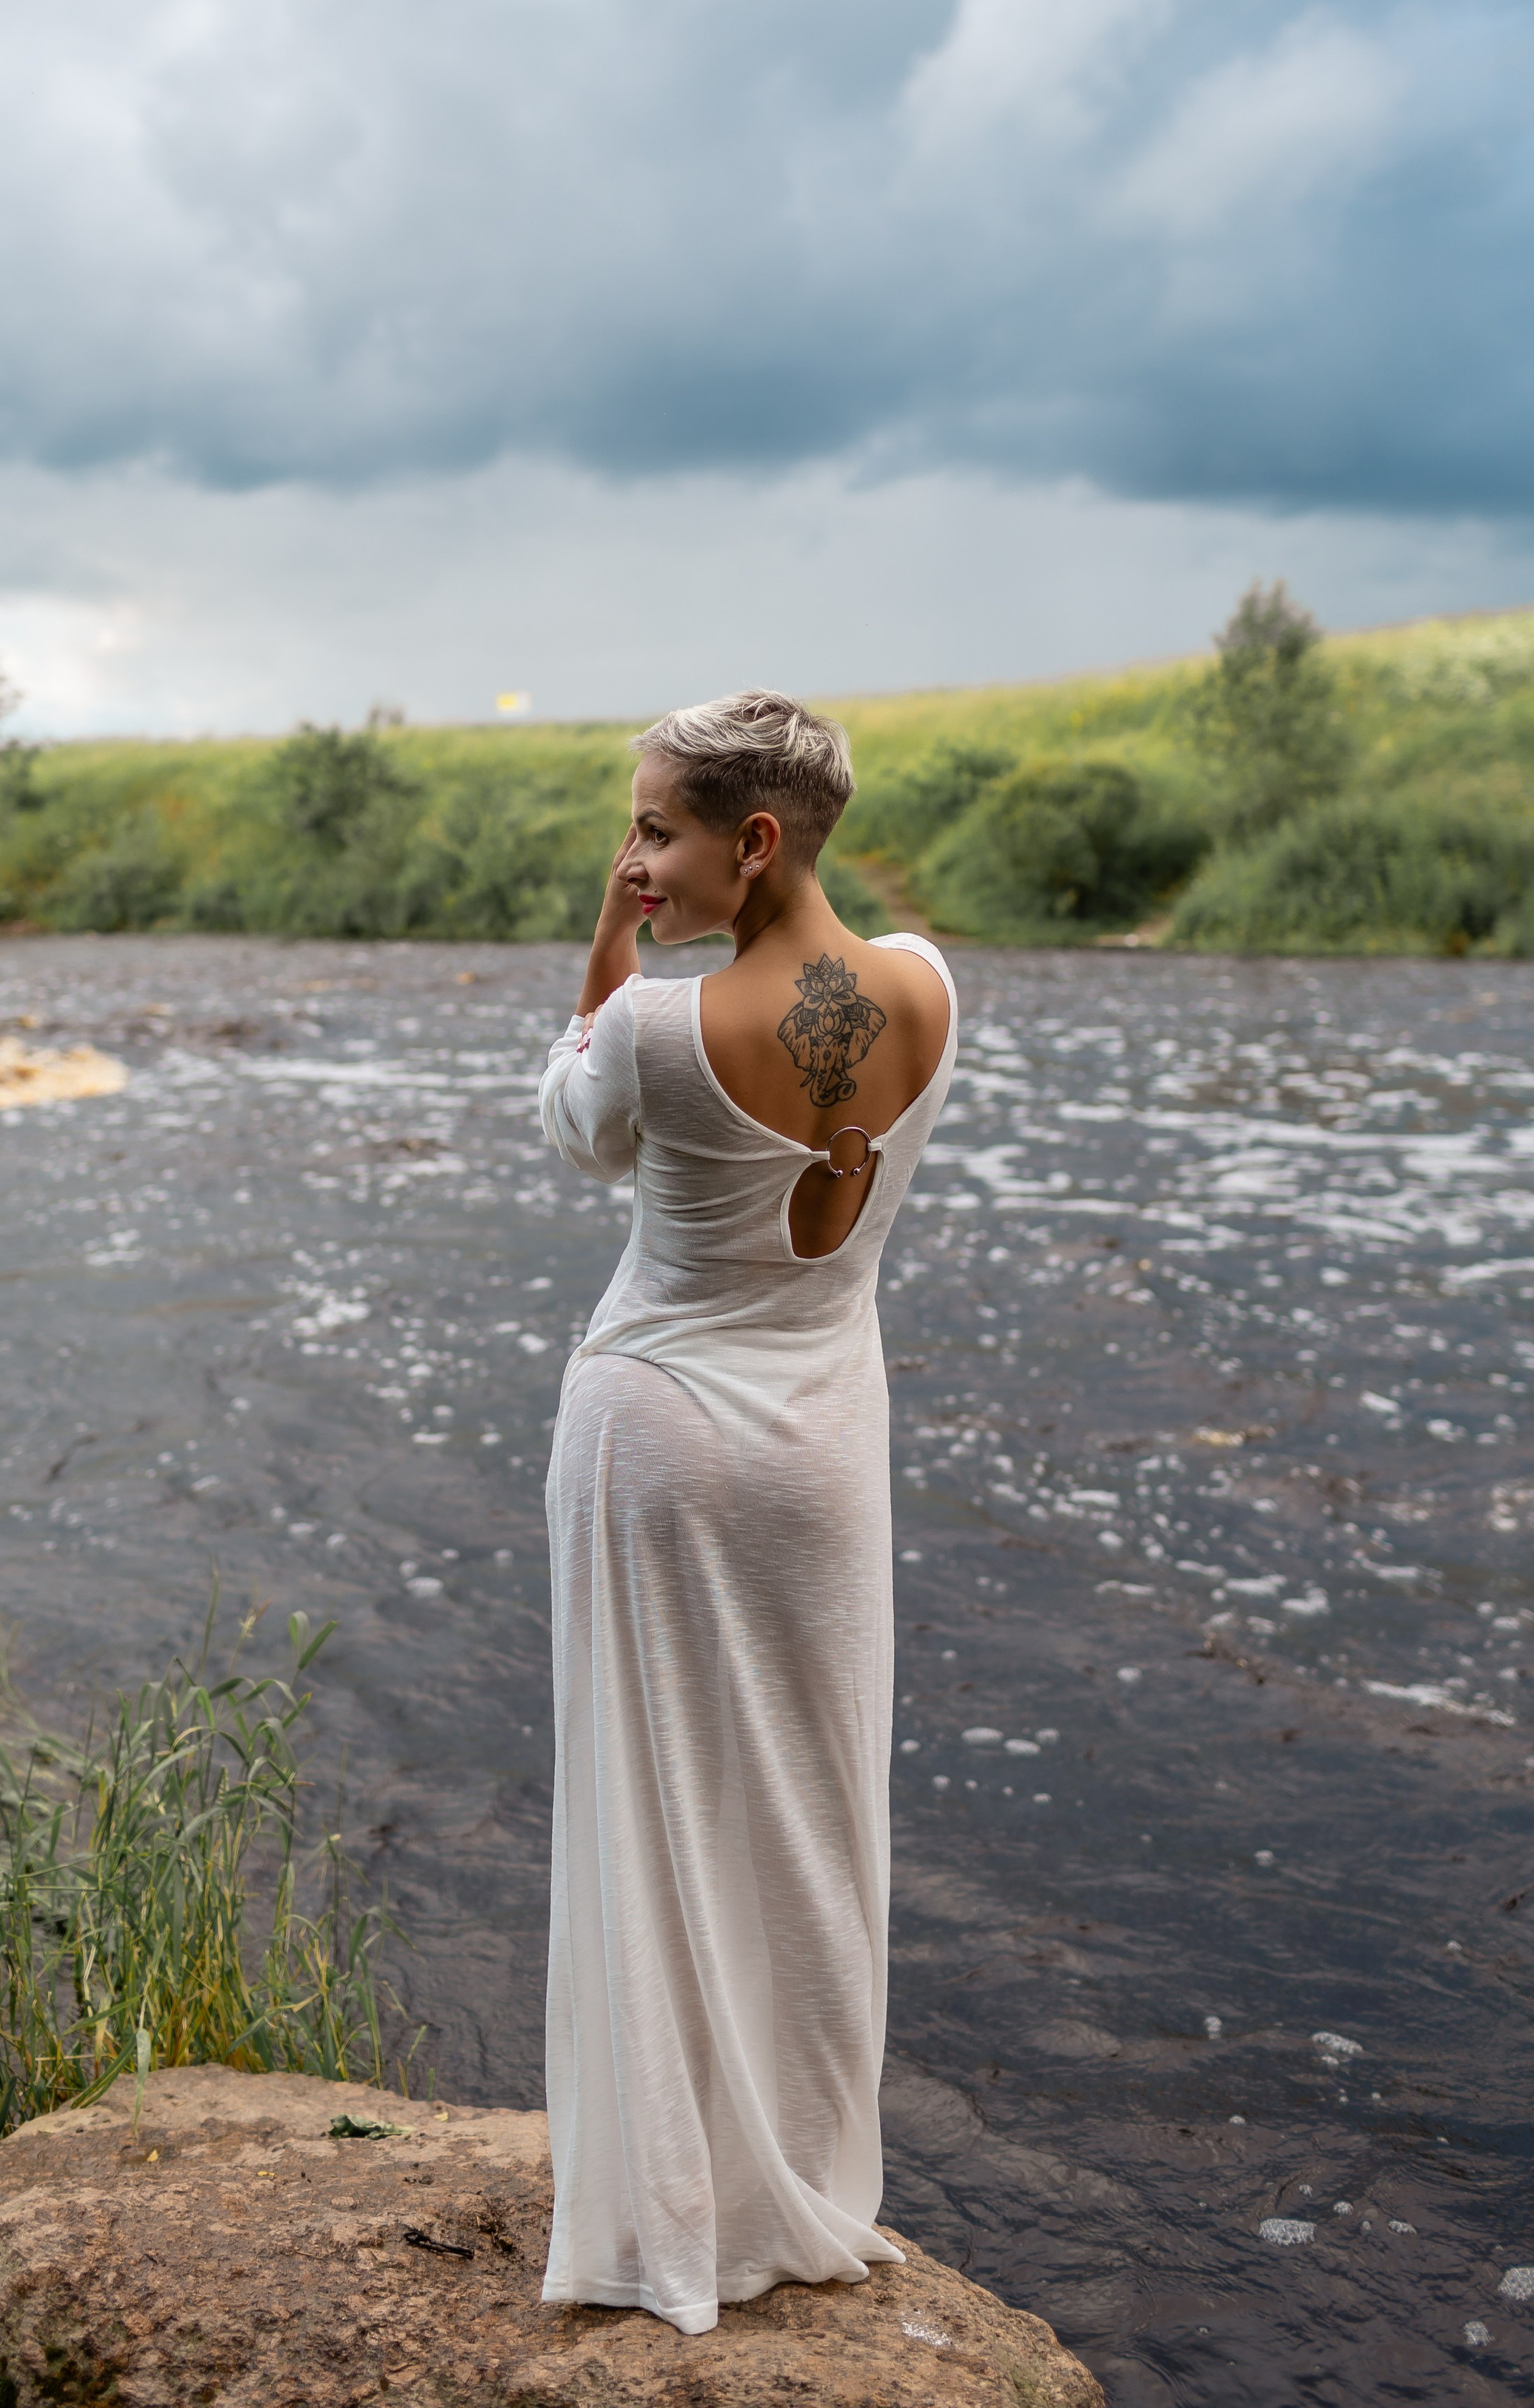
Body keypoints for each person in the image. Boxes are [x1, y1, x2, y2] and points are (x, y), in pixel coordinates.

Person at [536, 688, 957, 2336]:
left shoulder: (653, 1026)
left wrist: (607, 935)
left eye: (652, 828)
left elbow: (572, 1126)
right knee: (809, 1807)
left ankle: (664, 2209)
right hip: (823, 1448)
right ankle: (797, 2186)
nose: (634, 859)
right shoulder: (926, 985)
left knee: (649, 1806)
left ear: (753, 840)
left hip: (657, 1430)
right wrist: (645, 892)